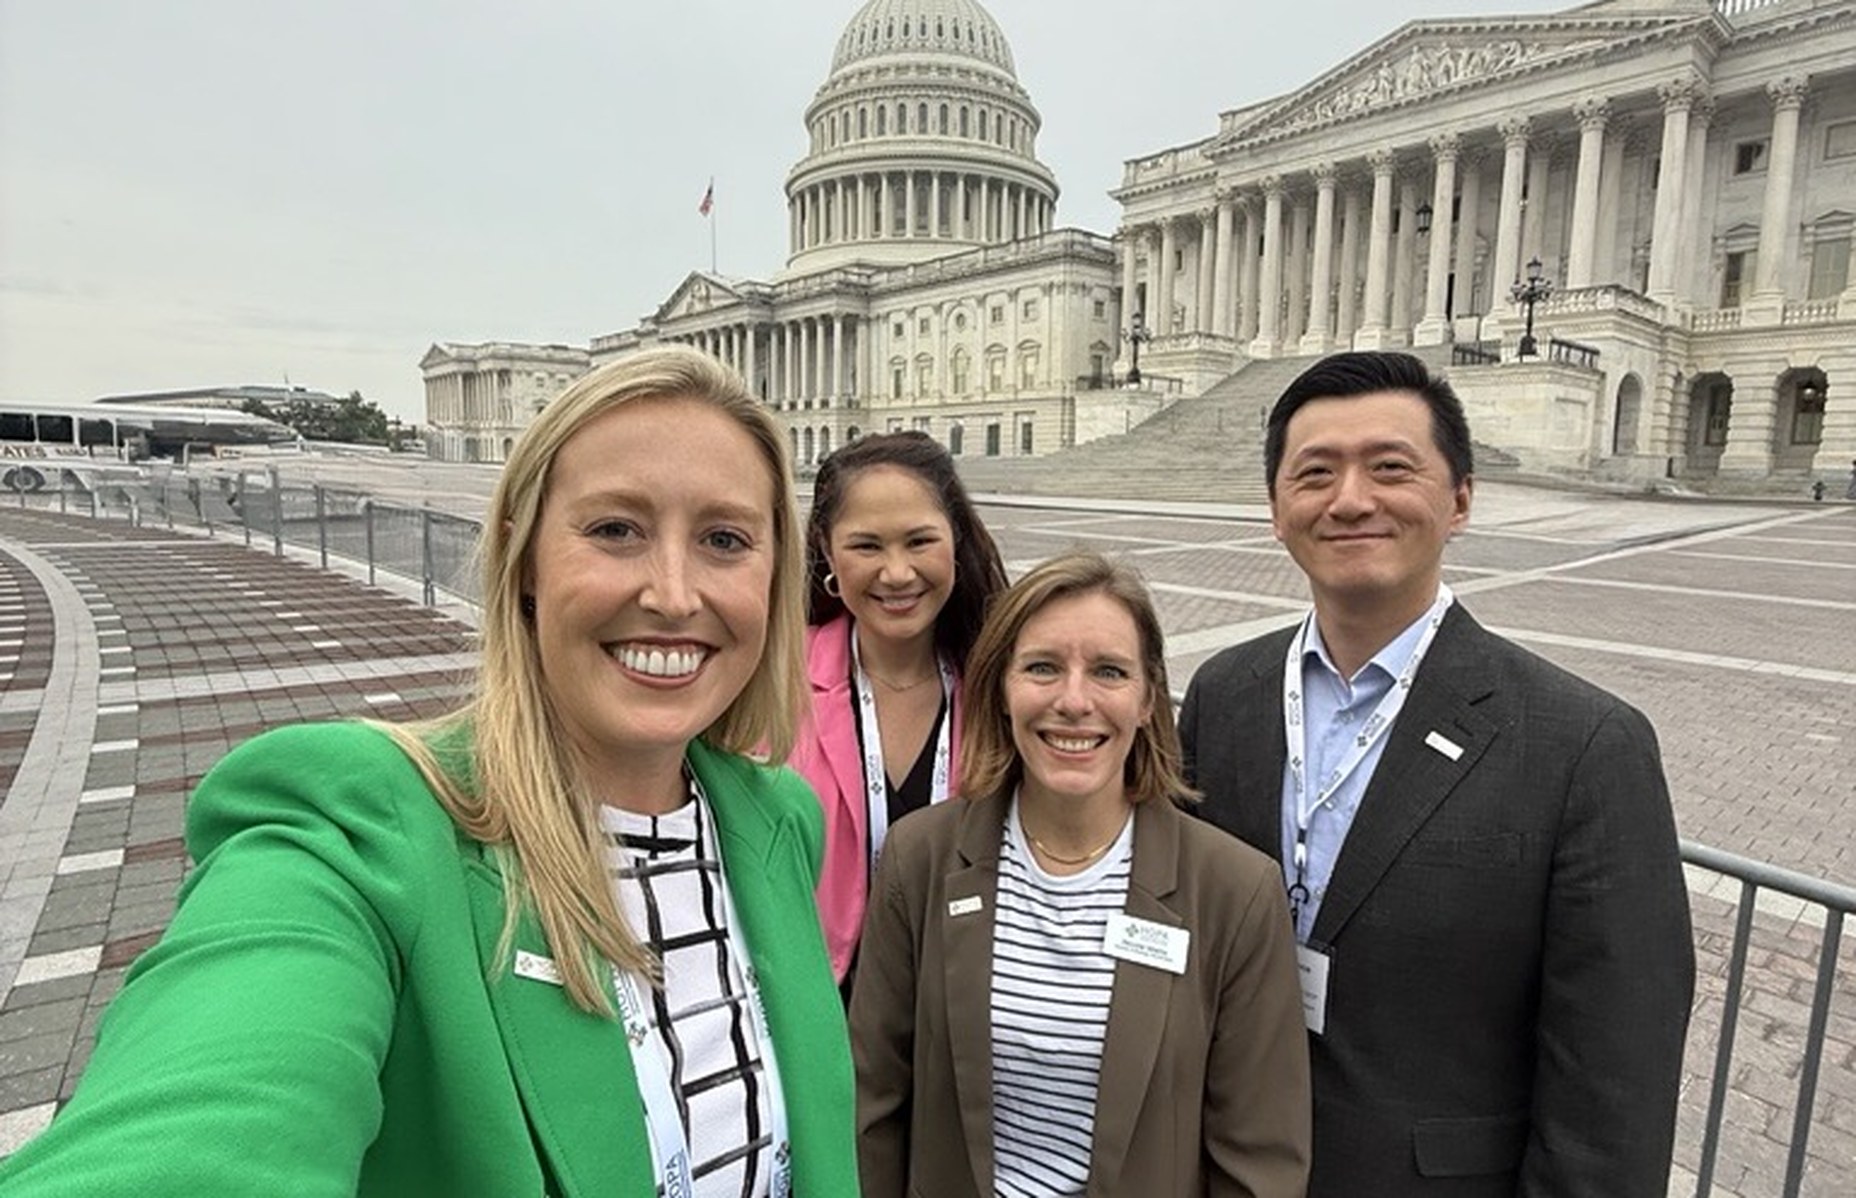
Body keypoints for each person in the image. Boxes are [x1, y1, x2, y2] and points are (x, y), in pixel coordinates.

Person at [0, 347, 858, 1196]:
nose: (674, 595)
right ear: (524, 561)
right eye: (615, 530)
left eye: (724, 539)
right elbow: (203, 1115)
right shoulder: (357, 830)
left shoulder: (776, 818)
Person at [1178, 351, 1694, 1197]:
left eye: (1390, 468)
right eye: (1315, 474)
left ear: (1459, 499)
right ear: (1275, 510)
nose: (1350, 500)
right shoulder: (1225, 693)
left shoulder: (1586, 744)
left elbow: (1615, 1081)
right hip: (1226, 1164)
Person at [853, 552, 1311, 1198]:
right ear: (1001, 687)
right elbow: (873, 1106)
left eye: (1108, 672)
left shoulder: (1234, 893)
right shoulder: (921, 858)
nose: (1074, 701)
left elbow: (1259, 1162)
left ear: (1148, 697)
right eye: (1042, 667)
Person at [792, 430, 1007, 986]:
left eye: (919, 541)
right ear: (826, 547)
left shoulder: (1003, 687)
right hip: (818, 1003)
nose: (897, 573)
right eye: (866, 546)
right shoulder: (773, 682)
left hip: (960, 1003)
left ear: (955, 539)